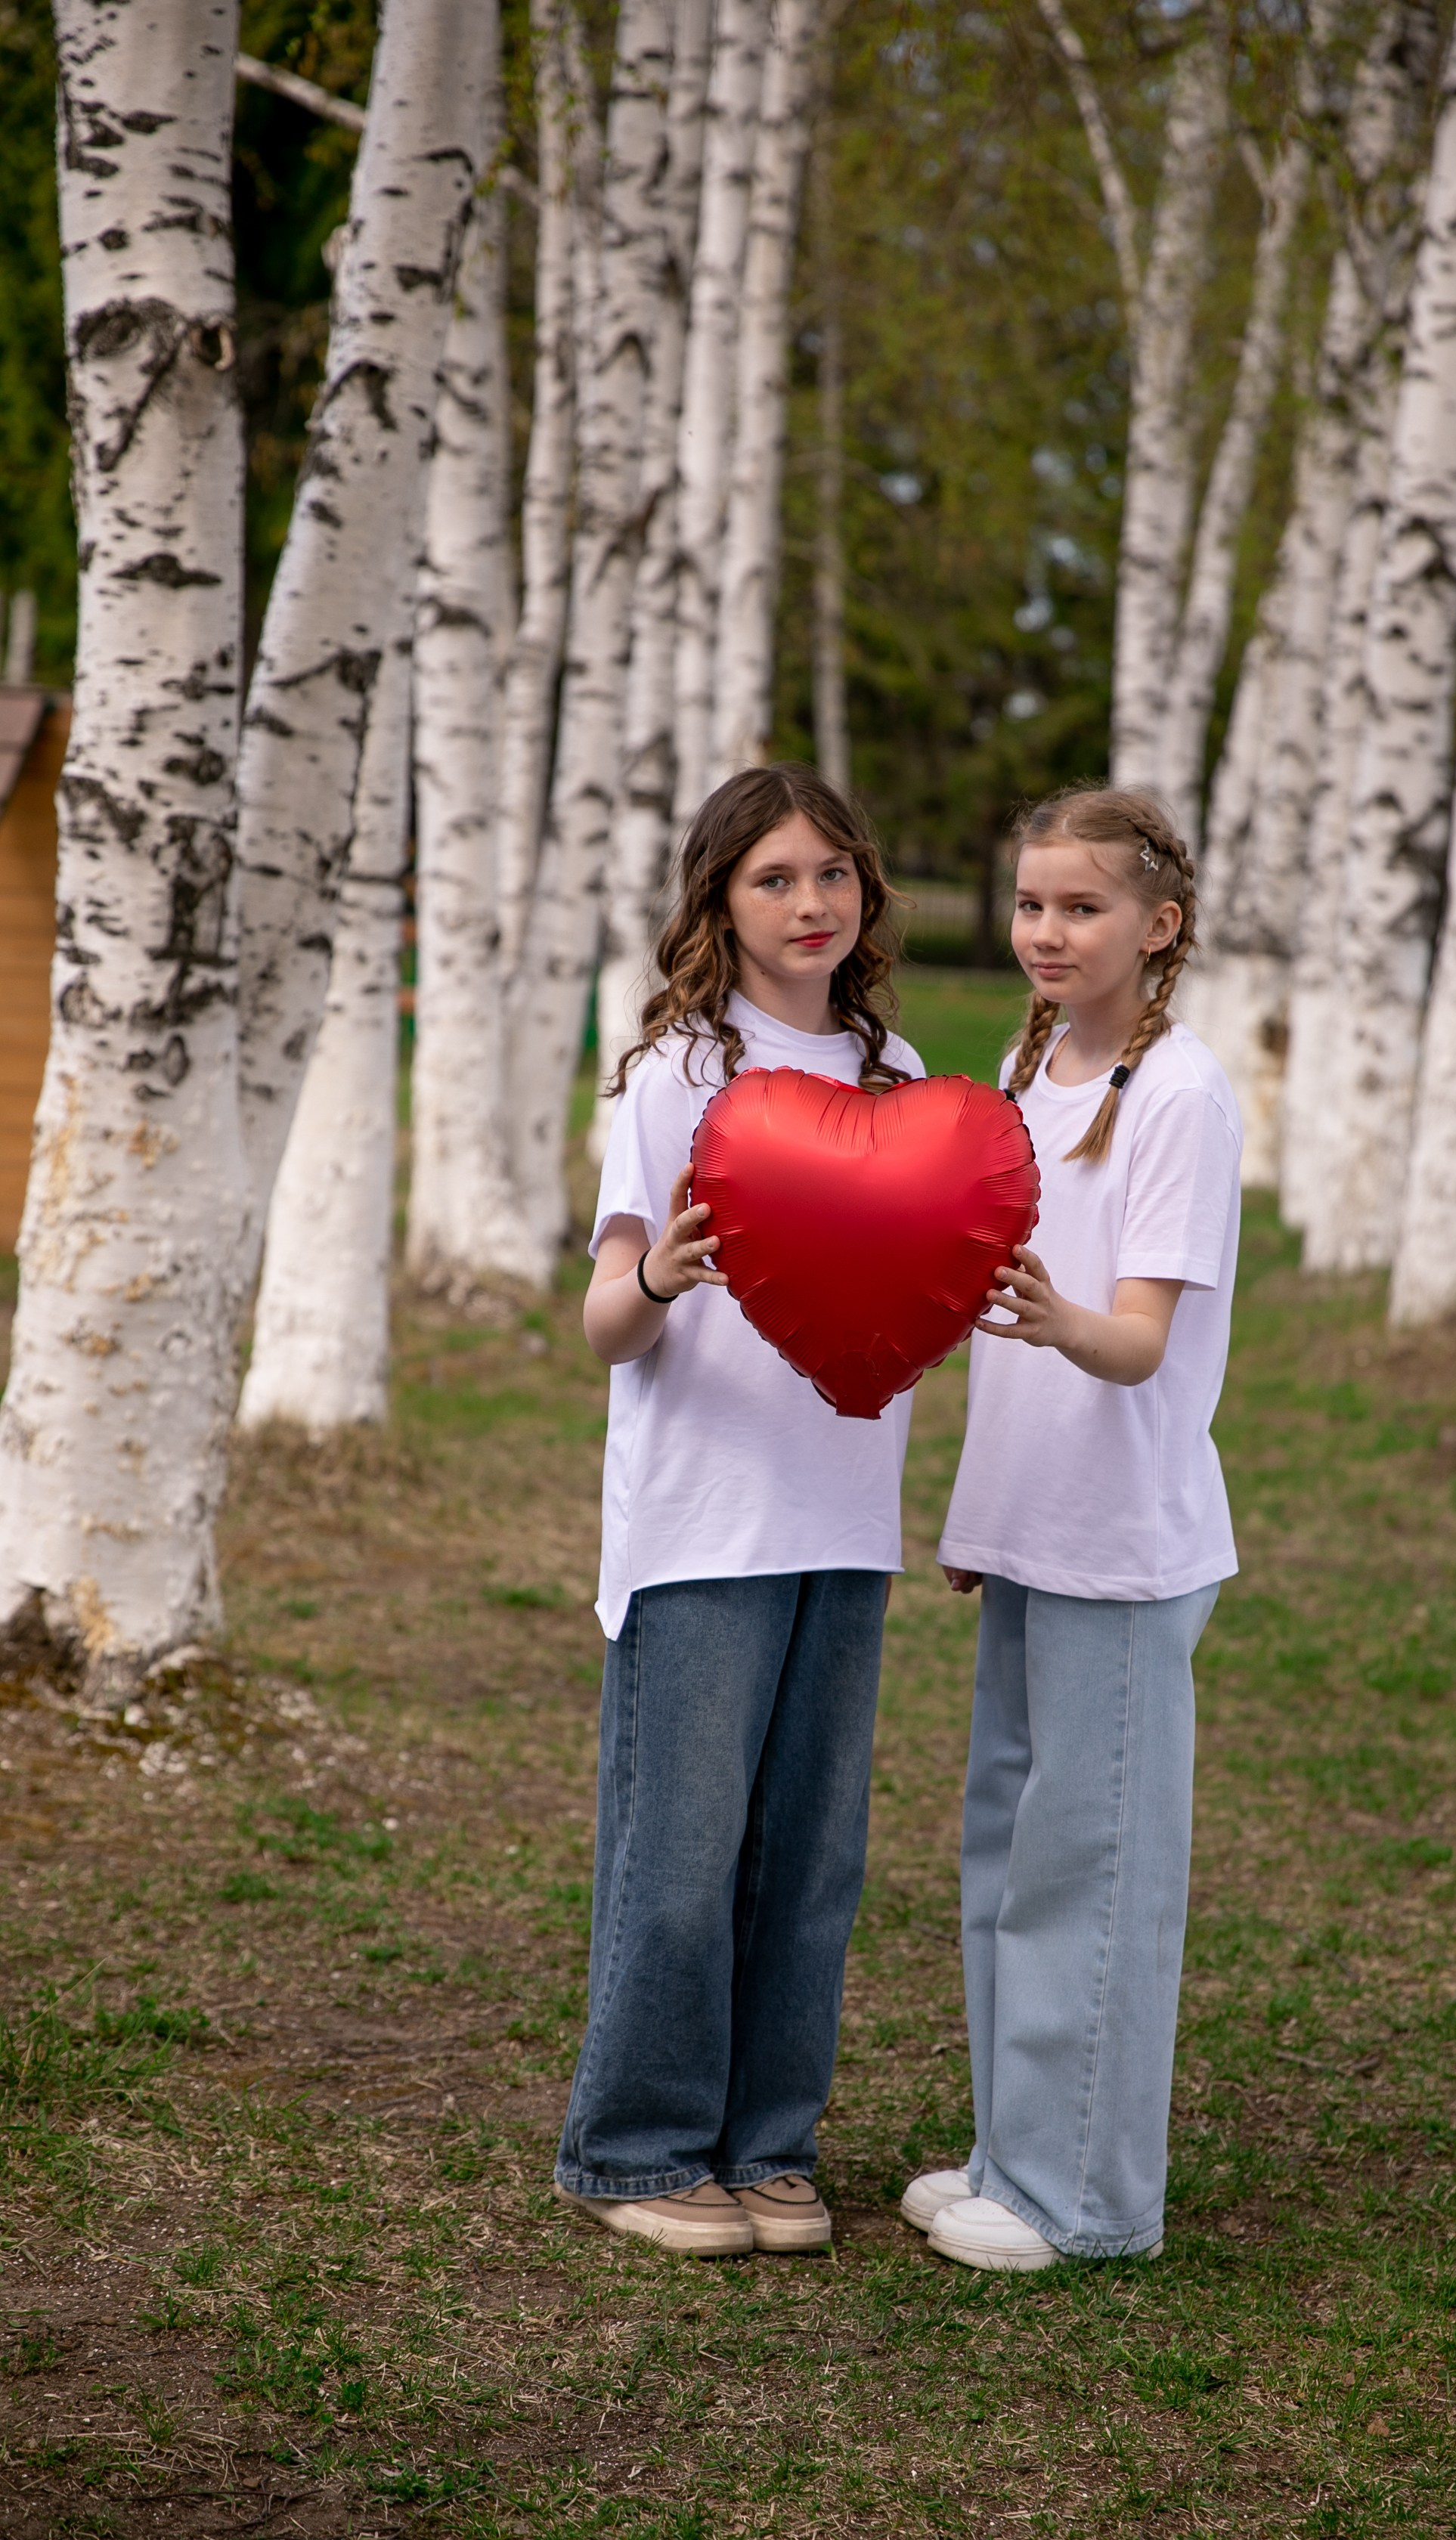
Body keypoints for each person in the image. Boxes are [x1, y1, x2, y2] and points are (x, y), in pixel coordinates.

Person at [555, 764, 924, 2259]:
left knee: (812, 1859)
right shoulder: (677, 1074)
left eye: (832, 875)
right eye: (774, 878)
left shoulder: (898, 1071)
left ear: (865, 896)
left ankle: (770, 2145)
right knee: (683, 1852)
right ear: (719, 896)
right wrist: (654, 1281)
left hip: (845, 1519)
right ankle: (633, 2147)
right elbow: (603, 1321)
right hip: (704, 1524)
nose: (808, 904)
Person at [900, 785, 1241, 2272]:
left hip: (1123, 1544)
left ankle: (1081, 2205)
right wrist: (985, 1512)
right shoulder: (1028, 1062)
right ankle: (1006, 2155)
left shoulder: (1182, 1095)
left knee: (1088, 1874)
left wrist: (1054, 1318)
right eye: (1032, 904)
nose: (1047, 932)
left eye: (1081, 908)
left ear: (1156, 928)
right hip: (1031, 1529)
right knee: (1003, 1852)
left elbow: (1140, 1343)